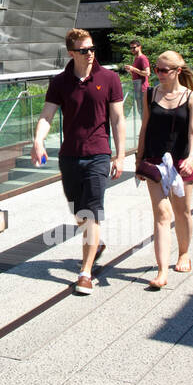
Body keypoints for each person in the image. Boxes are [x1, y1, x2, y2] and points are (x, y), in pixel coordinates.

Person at [30, 28, 126, 295]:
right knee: (79, 213)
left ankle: (85, 272)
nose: (91, 54)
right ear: (72, 53)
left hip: (98, 154)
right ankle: (98, 243)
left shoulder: (109, 78)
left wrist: (120, 155)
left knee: (91, 212)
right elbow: (47, 115)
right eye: (84, 50)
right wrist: (38, 141)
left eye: (93, 48)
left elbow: (117, 119)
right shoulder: (60, 82)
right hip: (70, 156)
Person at [134, 50, 193, 289]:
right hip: (155, 161)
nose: (159, 74)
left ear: (177, 71)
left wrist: (191, 157)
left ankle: (184, 253)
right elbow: (144, 127)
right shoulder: (150, 94)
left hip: (181, 162)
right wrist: (138, 160)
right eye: (156, 69)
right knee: (162, 215)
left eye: (164, 70)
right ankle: (162, 271)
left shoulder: (191, 98)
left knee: (182, 212)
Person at [127, 40, 150, 110]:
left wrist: (133, 69)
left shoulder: (142, 58)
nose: (132, 49)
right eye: (130, 48)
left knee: (144, 111)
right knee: (140, 110)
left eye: (134, 47)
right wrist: (130, 71)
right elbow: (137, 74)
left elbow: (147, 73)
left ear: (140, 47)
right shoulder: (136, 58)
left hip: (143, 89)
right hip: (137, 88)